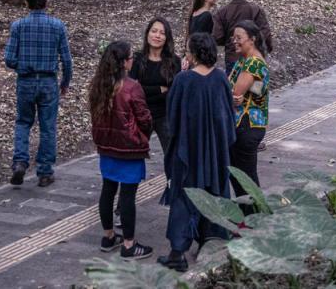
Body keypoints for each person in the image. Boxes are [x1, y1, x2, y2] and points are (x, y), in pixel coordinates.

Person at [158, 33, 236, 273]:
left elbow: (173, 118)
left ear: (193, 54)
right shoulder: (221, 78)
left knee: (185, 195)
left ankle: (177, 252)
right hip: (215, 150)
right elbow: (228, 117)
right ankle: (211, 242)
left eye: (187, 50)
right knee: (215, 190)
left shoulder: (183, 80)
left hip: (188, 150)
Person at [89, 40, 155, 260]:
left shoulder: (98, 84)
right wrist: (143, 135)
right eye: (130, 58)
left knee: (107, 190)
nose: (132, 61)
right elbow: (144, 118)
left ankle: (108, 236)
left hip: (106, 146)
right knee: (127, 196)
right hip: (128, 147)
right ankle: (129, 244)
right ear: (124, 62)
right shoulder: (132, 86)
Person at [4, 0, 73, 187]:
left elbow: (9, 59)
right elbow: (67, 60)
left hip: (25, 81)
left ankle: (19, 162)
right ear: (46, 2)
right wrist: (65, 82)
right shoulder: (57, 26)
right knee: (48, 127)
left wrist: (23, 66)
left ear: (26, 3)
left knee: (23, 122)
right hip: (48, 81)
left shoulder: (18, 26)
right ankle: (44, 171)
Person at [228, 20, 270, 212]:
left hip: (247, 126)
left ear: (251, 39)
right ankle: (250, 216)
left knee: (245, 177)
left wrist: (231, 94)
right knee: (239, 175)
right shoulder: (246, 60)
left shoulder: (252, 62)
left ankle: (256, 218)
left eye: (239, 38)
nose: (234, 41)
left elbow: (235, 92)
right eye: (233, 37)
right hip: (245, 124)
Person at [128, 17, 182, 155]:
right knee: (134, 153)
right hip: (141, 114)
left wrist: (144, 90)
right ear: (147, 34)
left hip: (165, 114)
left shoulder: (174, 61)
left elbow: (173, 92)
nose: (157, 36)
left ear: (167, 37)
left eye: (162, 33)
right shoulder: (137, 59)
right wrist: (159, 89)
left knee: (173, 156)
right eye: (154, 31)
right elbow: (132, 91)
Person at [212, 0, 274, 74]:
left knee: (234, 87)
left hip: (232, 57)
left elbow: (217, 37)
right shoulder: (255, 9)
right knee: (254, 88)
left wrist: (231, 41)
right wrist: (267, 48)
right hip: (253, 57)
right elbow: (265, 33)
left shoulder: (222, 12)